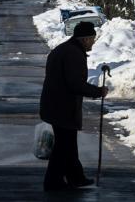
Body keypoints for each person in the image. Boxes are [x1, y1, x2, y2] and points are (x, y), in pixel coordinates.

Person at [39, 21, 107, 191]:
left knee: (68, 144)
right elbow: (75, 84)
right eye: (92, 38)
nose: (93, 41)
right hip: (62, 107)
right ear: (85, 39)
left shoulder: (65, 49)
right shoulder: (74, 54)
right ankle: (53, 181)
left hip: (56, 105)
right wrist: (98, 91)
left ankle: (75, 177)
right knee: (63, 146)